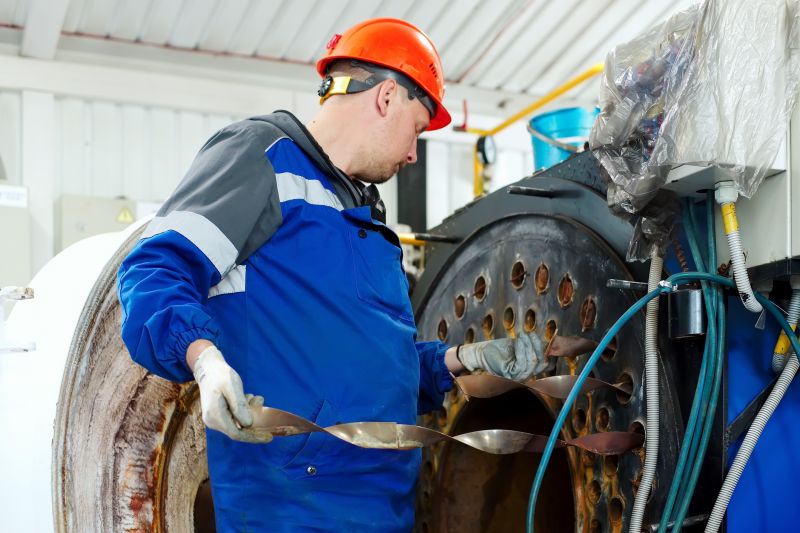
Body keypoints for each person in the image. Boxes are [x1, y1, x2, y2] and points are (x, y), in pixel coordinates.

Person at [117, 17, 543, 532]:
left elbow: (377, 367)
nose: (413, 153)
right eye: (417, 126)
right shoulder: (263, 157)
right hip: (294, 510)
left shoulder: (366, 219)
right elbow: (153, 268)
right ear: (387, 96)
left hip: (383, 509)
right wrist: (204, 361)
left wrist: (459, 360)